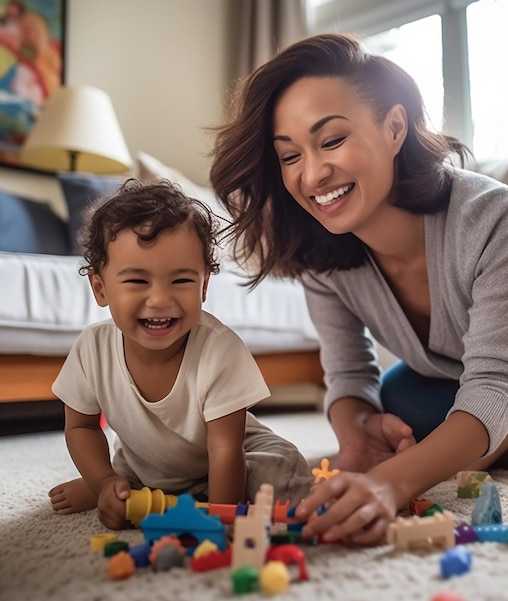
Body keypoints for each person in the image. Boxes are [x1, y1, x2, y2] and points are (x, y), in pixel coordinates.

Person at [208, 33, 508, 546]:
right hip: (461, 378)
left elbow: (492, 385)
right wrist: (356, 436)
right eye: (290, 155)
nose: (312, 173)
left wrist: (389, 483)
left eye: (332, 140)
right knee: (398, 401)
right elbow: (348, 373)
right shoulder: (319, 252)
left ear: (394, 128)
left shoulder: (496, 218)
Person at [48, 179, 311, 530]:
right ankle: (113, 489)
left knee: (282, 474)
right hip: (146, 464)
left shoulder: (219, 349)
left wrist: (219, 521)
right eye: (138, 282)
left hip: (233, 457)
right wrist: (104, 482)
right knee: (122, 479)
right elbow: (80, 426)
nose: (159, 300)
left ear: (203, 286)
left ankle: (177, 500)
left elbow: (225, 450)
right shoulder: (92, 349)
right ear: (100, 288)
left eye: (181, 281)